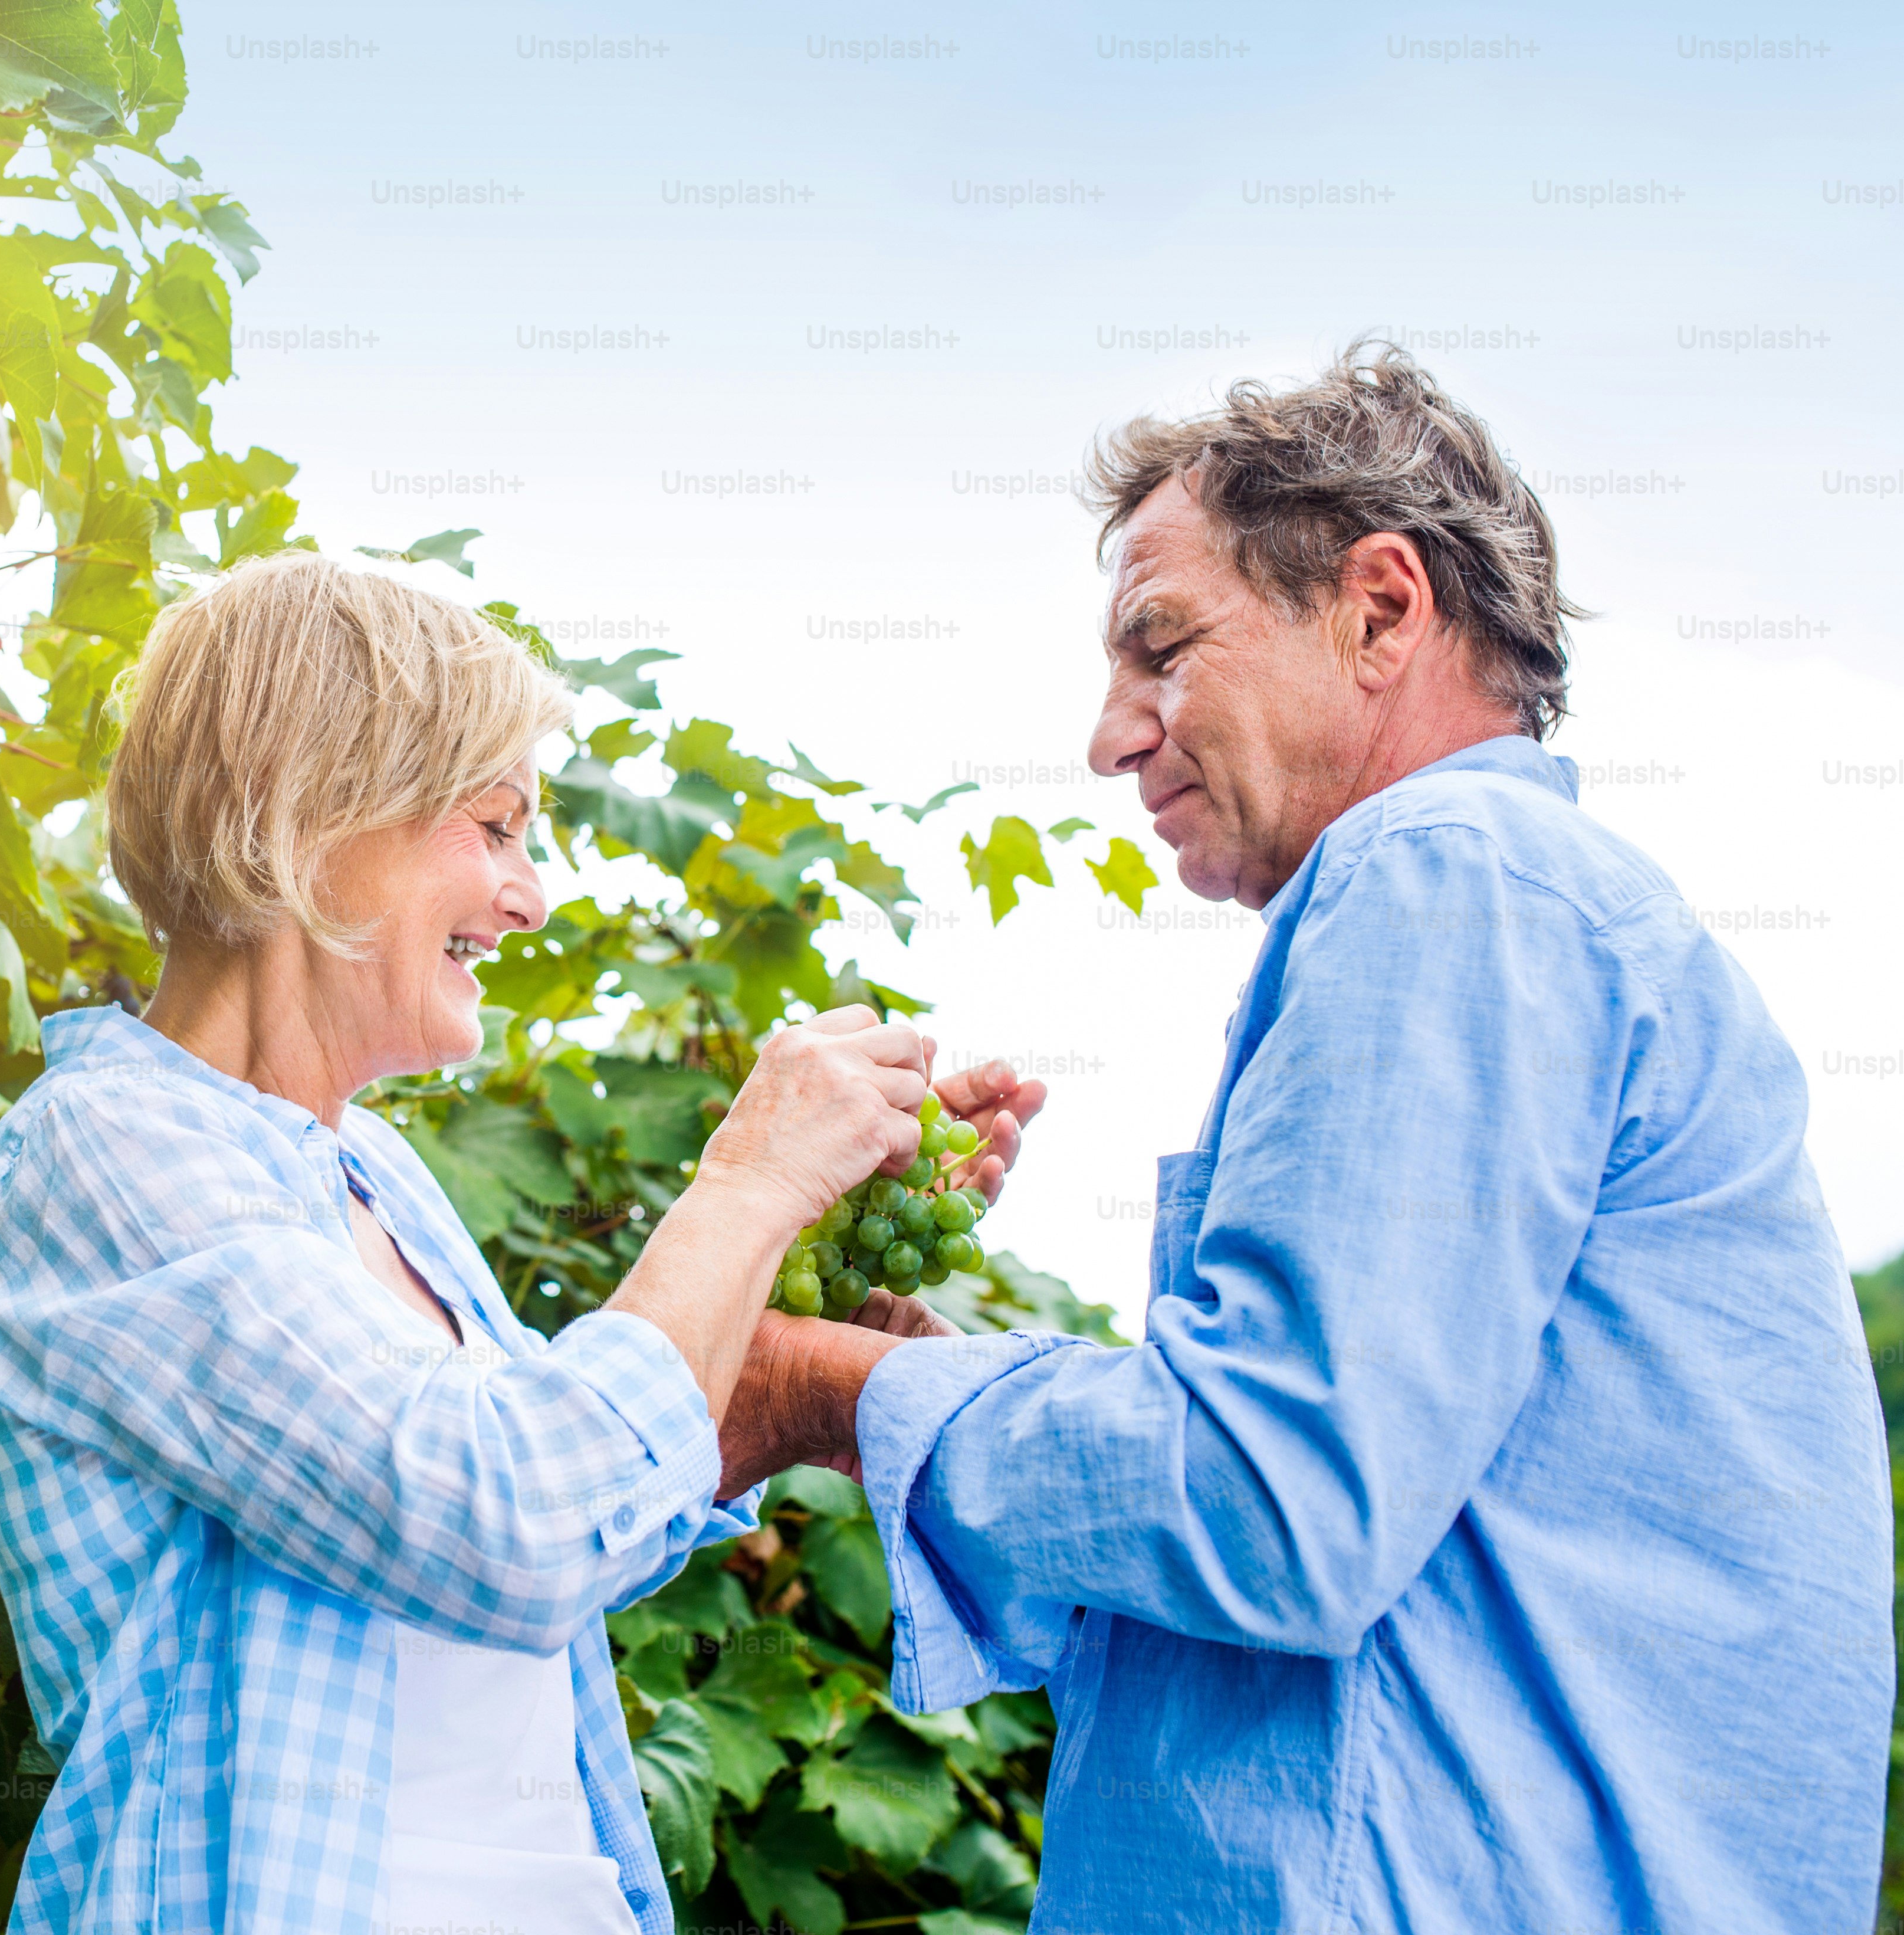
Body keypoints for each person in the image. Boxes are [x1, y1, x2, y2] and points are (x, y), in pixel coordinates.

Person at [716, 340, 1892, 1931]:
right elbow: (1342, 1569)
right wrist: (926, 1360)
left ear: (1383, 609)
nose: (1112, 736)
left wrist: (826, 1389)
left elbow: (1273, 1509)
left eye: (1162, 646)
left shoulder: (1444, 876)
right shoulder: (1532, 909)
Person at [0, 552, 1031, 1934]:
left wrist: (794, 1363)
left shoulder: (368, 1171)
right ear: (309, 809)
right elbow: (511, 1522)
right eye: (495, 827)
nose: (530, 896)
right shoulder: (103, 1157)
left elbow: (577, 1500)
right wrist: (744, 1184)